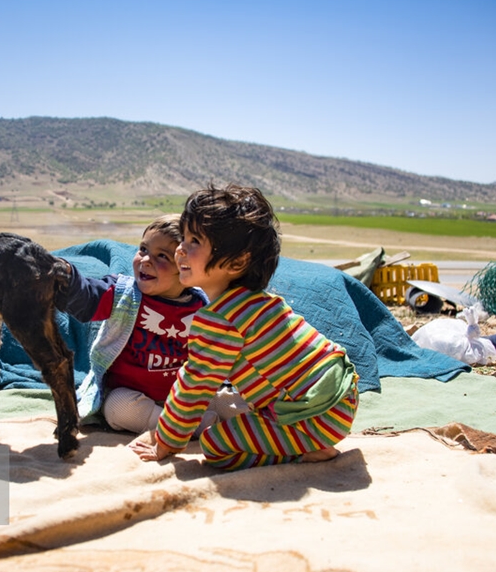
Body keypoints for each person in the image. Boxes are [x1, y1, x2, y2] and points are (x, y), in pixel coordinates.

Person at [131, 185, 359, 470]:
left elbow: (195, 385)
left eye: (194, 242)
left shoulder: (218, 320)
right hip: (342, 396)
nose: (180, 249)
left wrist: (166, 441)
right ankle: (301, 439)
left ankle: (304, 451)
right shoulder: (261, 302)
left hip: (312, 416)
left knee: (215, 445)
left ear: (237, 262)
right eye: (184, 238)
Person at [64, 215, 245, 434]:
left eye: (162, 256)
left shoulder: (202, 304)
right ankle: (183, 428)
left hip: (184, 395)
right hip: (131, 393)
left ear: (186, 269)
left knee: (233, 401)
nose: (146, 260)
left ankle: (250, 426)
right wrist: (66, 277)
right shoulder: (122, 293)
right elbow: (87, 298)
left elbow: (223, 346)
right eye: (143, 249)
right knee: (118, 409)